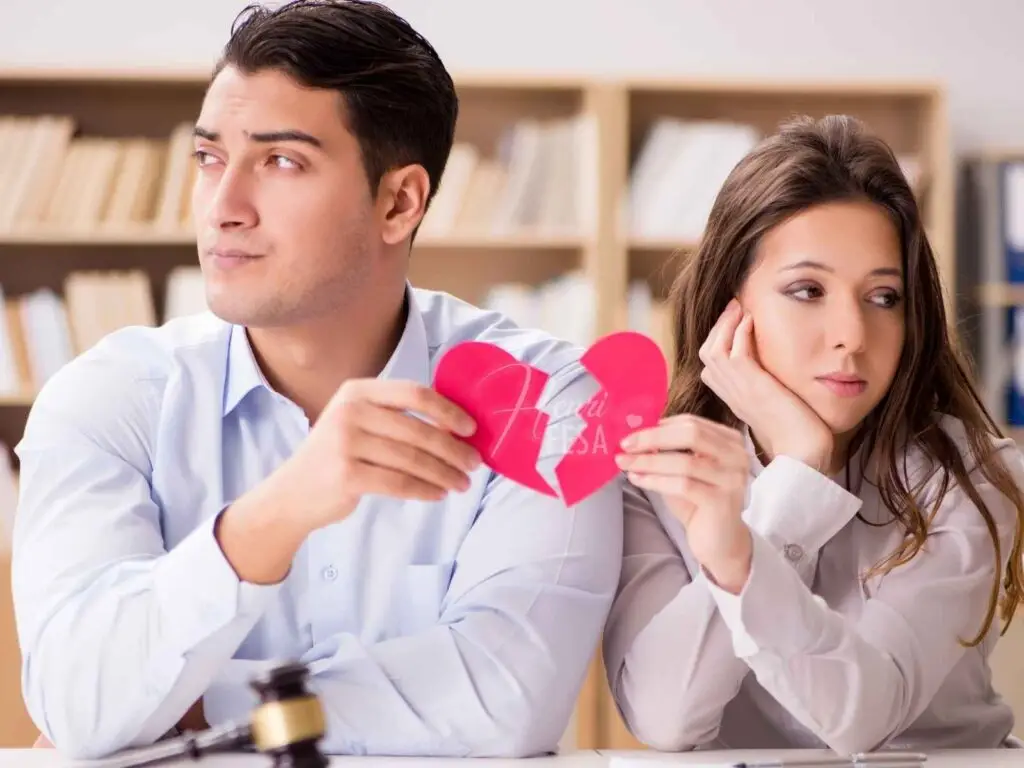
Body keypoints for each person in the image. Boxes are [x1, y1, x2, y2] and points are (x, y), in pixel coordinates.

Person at [10, 0, 623, 760]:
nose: (222, 208)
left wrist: (196, 705)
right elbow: (78, 696)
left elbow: (508, 698)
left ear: (399, 201)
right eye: (208, 158)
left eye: (282, 161)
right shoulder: (108, 395)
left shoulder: (551, 398)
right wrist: (274, 516)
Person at [604, 114, 1024, 755]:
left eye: (883, 297)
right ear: (729, 305)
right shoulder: (662, 472)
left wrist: (779, 502)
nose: (852, 336)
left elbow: (863, 715)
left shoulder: (968, 475)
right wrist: (794, 484)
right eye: (807, 290)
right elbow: (664, 717)